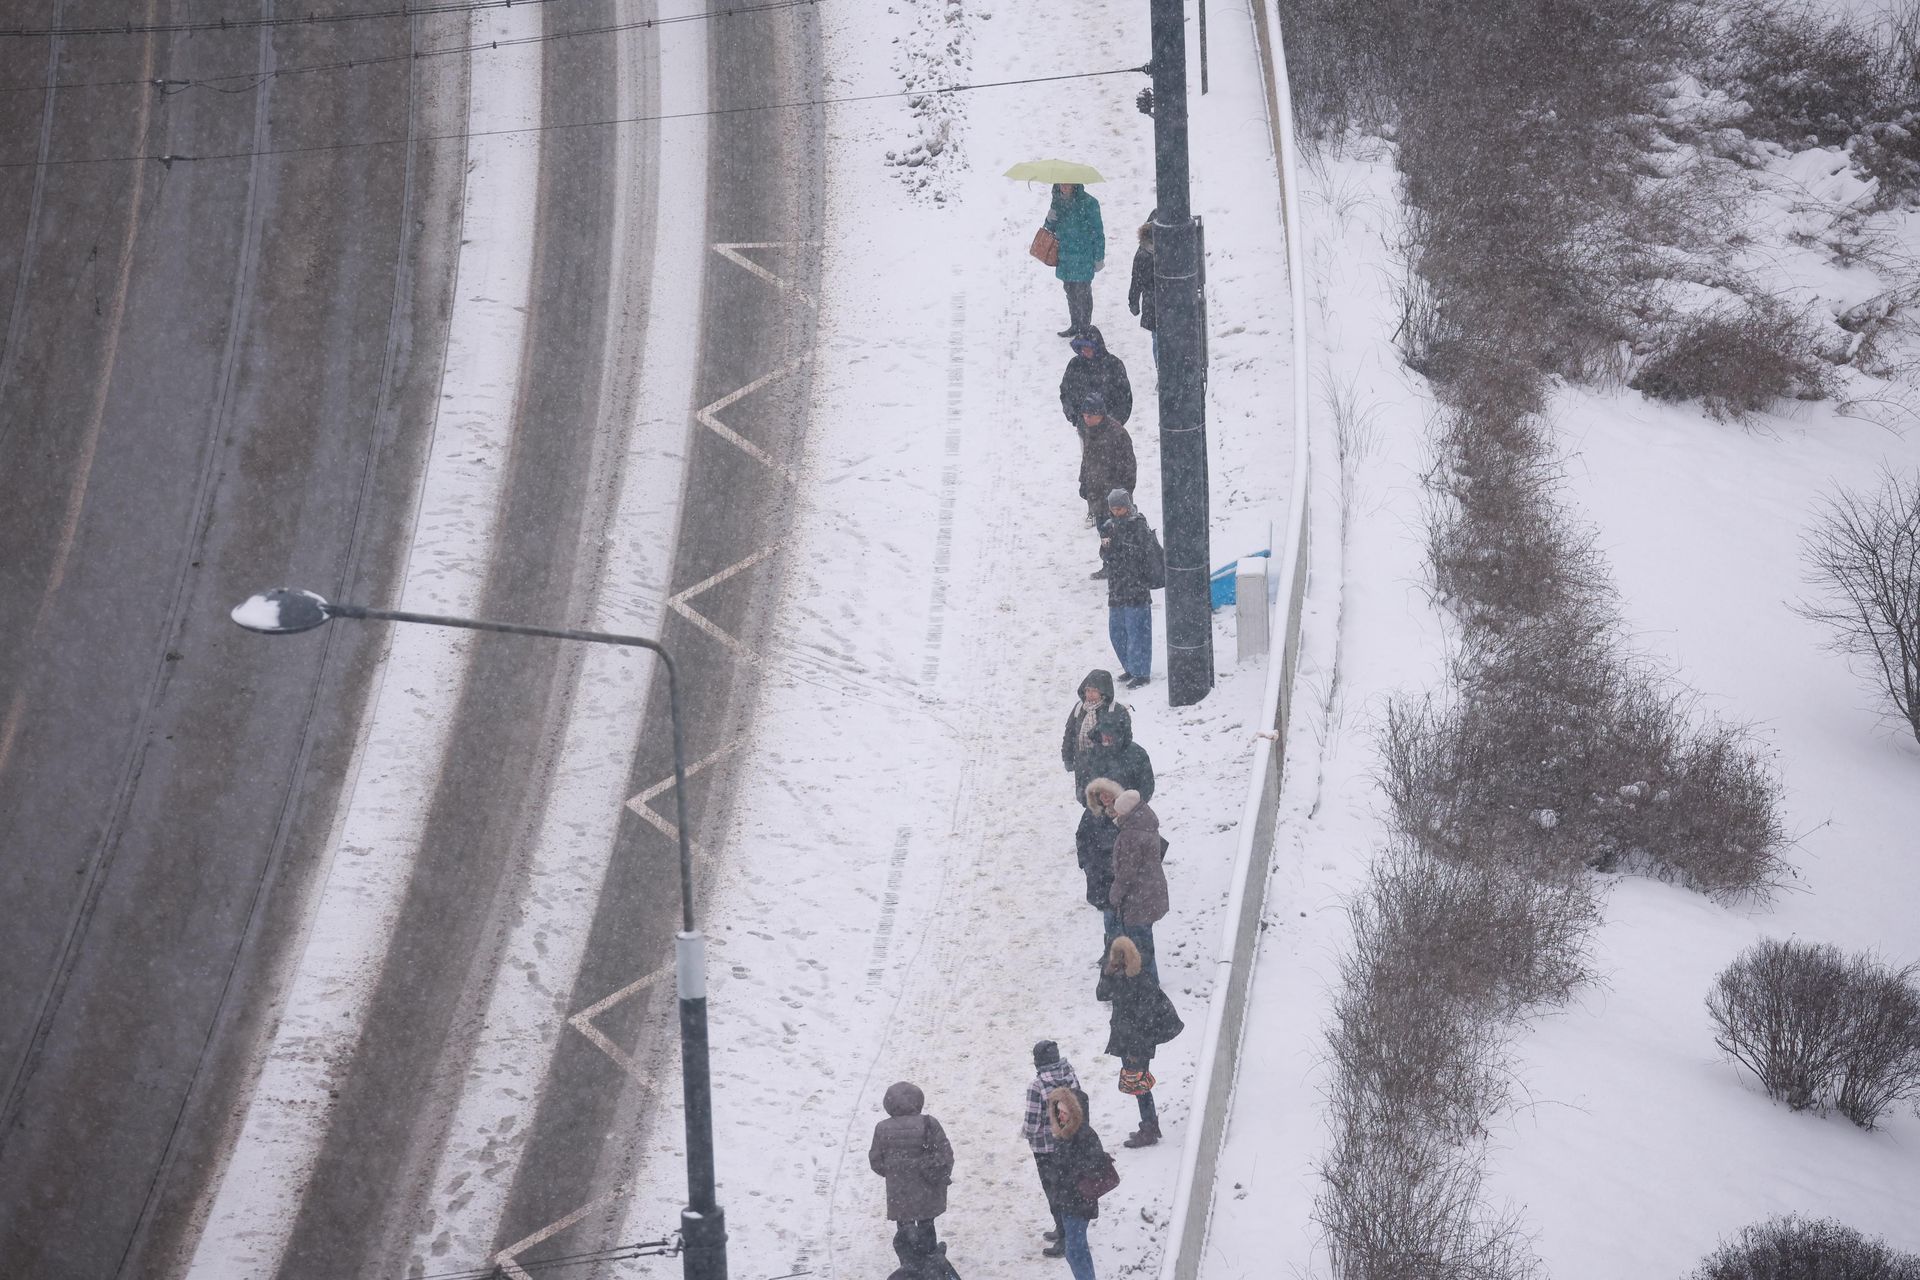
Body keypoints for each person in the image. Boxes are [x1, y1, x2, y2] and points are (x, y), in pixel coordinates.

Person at [1096, 935, 1184, 1149]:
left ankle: (1149, 1128)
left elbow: (1144, 1020)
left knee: (1139, 1086)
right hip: (1128, 1040)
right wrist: (1106, 973)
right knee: (1138, 1085)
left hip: (1136, 1044)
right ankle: (1150, 1125)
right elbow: (1102, 995)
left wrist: (1135, 1051)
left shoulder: (1142, 981)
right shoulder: (1119, 977)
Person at [869, 1081, 960, 1278]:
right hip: (927, 1188)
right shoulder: (929, 1123)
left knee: (905, 1229)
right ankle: (931, 1264)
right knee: (927, 1224)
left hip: (899, 1192)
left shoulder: (882, 1128)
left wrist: (894, 1174)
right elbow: (946, 1153)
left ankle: (910, 1267)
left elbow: (875, 1161)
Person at [1021, 1040, 1083, 1256]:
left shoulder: (1037, 1087)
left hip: (1045, 1149)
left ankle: (1064, 1237)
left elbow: (1031, 1125)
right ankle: (1067, 1230)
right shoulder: (1070, 1075)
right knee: (1067, 1189)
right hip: (1069, 1143)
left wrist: (1026, 1133)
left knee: (1054, 1193)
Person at [1043, 1086, 1111, 1280]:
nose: (1060, 1116)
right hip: (1068, 1202)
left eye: (1064, 1112)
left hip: (1079, 1203)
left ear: (1074, 1112)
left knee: (1074, 1252)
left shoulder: (1085, 1135)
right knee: (1078, 1250)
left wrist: (1071, 1173)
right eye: (1058, 1111)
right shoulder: (1064, 1134)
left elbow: (1096, 1167)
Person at [1104, 785, 1168, 983]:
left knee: (1139, 948)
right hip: (1151, 893)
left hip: (1138, 899)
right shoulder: (1147, 825)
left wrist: (1114, 896)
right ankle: (1150, 983)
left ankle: (1147, 986)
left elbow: (1125, 875)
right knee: (1145, 942)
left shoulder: (1130, 836)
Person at [1097, 490, 1160, 686]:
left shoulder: (1138, 525)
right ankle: (1130, 667)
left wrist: (1121, 546)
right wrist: (1106, 547)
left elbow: (1144, 554)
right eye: (1113, 509)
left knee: (1137, 631)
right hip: (1117, 586)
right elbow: (1106, 556)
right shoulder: (1109, 526)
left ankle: (1141, 672)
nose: (1116, 512)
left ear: (1127, 506)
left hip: (1136, 586)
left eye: (1119, 508)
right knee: (1117, 631)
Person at [1043, 183, 1106, 336]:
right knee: (1070, 291)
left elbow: (1098, 232)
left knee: (1083, 293)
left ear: (1074, 184)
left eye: (1067, 183)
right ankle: (1075, 325)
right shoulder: (1057, 202)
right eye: (1061, 183)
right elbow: (1049, 229)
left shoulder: (1089, 203)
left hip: (1083, 256)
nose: (1064, 186)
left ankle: (1084, 329)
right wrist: (1049, 219)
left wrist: (1099, 257)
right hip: (1065, 257)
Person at [1079, 412, 1137, 574]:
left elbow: (1129, 465)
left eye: (1089, 416)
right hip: (1097, 492)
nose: (1085, 419)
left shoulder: (1117, 434)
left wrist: (1125, 491)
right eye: (1084, 416)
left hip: (1114, 494)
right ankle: (1110, 564)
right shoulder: (1090, 431)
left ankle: (1124, 566)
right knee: (1104, 530)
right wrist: (1083, 481)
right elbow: (1087, 459)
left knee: (1120, 531)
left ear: (1099, 415)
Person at [1060, 670, 1131, 800]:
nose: (1089, 694)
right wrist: (1067, 757)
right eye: (1087, 690)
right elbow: (1070, 734)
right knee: (1086, 799)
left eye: (1094, 691)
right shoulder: (1080, 708)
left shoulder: (1115, 711)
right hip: (1083, 766)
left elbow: (1126, 740)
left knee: (1107, 800)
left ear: (1103, 692)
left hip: (1108, 767)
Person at [1058, 327, 1133, 429]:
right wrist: (1076, 417)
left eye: (1089, 347)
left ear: (1097, 347)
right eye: (1082, 347)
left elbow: (1124, 398)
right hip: (1084, 427)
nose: (1085, 351)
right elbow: (1066, 392)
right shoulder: (1074, 365)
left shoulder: (1114, 365)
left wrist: (1112, 423)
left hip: (1110, 429)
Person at [1128, 216, 1157, 366]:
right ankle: (1163, 371)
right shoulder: (1144, 256)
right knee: (1160, 340)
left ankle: (1162, 370)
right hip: (1162, 303)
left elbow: (1136, 280)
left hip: (1155, 303)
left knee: (1158, 340)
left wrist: (1133, 302)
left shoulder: (1143, 253)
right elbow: (1136, 279)